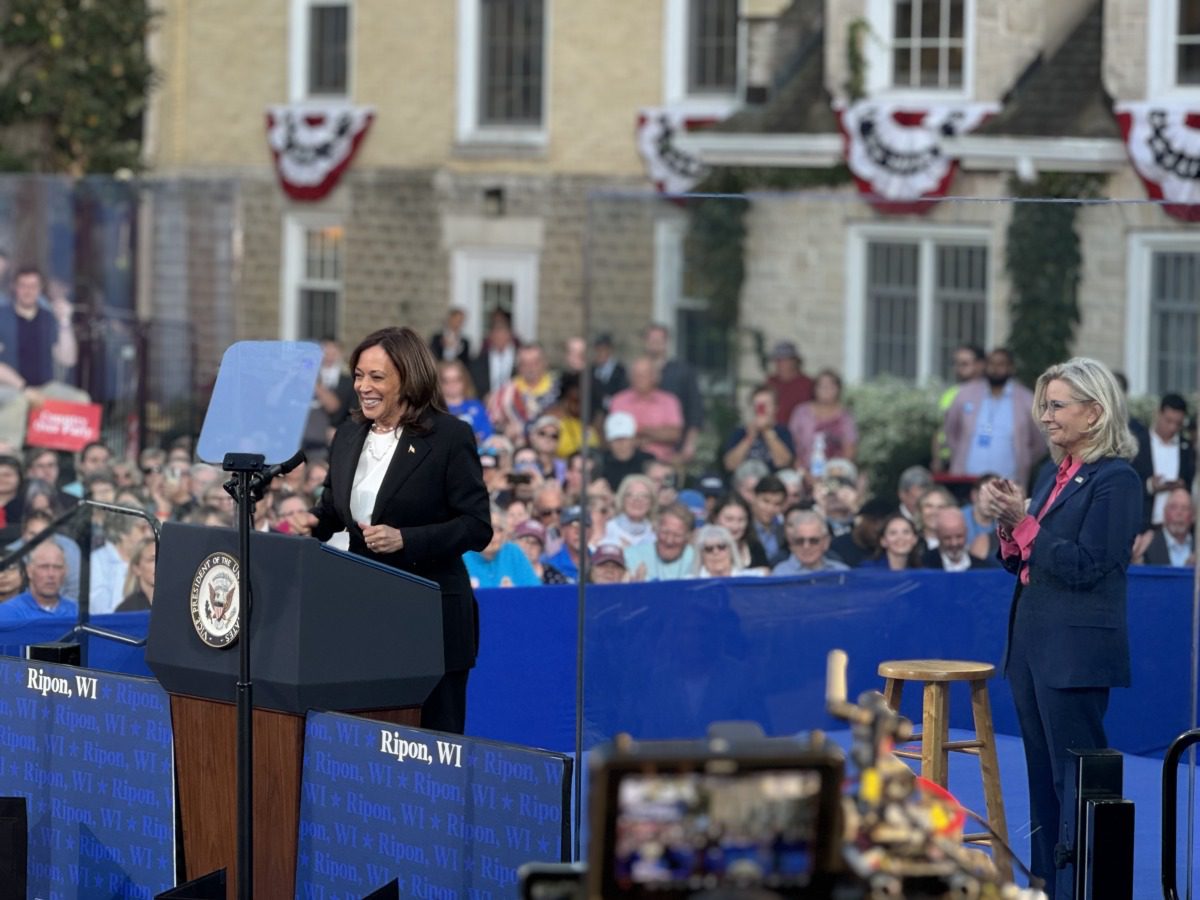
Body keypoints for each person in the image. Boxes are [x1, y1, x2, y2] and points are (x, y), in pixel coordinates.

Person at [976, 356, 1141, 896]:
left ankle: (1083, 888)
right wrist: (1008, 526)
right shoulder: (1053, 474)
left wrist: (1023, 523)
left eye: (1056, 405)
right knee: (1042, 778)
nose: (1045, 417)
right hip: (1031, 646)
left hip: (1075, 653)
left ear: (1094, 413)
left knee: (1076, 783)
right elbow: (1025, 560)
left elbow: (1090, 563)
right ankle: (1047, 884)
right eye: (1043, 406)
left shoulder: (1117, 479)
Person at [296, 326, 492, 735]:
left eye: (377, 377)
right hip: (366, 615)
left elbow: (476, 526)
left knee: (434, 746)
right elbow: (335, 507)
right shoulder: (350, 434)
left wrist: (407, 539)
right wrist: (314, 521)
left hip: (432, 617)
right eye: (358, 376)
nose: (363, 387)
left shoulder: (449, 437)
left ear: (408, 377)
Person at [944, 347, 1046, 488]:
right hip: (966, 480)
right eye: (991, 363)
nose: (995, 369)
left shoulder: (1026, 399)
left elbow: (1040, 443)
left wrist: (1025, 460)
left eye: (1001, 364)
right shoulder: (965, 394)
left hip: (1008, 483)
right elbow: (951, 431)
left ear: (1011, 368)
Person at [1131, 392, 1194, 528]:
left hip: (1175, 528)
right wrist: (1150, 485)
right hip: (1143, 524)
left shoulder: (1186, 447)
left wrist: (1181, 486)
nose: (1172, 428)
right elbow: (1128, 483)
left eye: (1178, 424)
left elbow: (1191, 483)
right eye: (1168, 421)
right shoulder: (1138, 444)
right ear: (1158, 414)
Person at [609, 356, 684, 464]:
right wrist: (656, 434)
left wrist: (642, 430)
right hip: (626, 462)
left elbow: (674, 434)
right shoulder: (618, 401)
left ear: (654, 377)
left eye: (644, 375)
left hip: (660, 462)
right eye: (636, 374)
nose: (639, 379)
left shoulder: (669, 401)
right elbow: (615, 435)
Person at [787, 369, 857, 474]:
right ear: (814, 389)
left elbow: (850, 449)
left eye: (831, 386)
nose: (826, 390)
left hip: (836, 472)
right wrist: (803, 473)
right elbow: (791, 444)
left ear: (838, 389)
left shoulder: (845, 416)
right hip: (803, 471)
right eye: (822, 386)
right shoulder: (801, 412)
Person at [721, 385, 795, 475]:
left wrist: (767, 432)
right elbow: (730, 465)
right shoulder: (740, 432)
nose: (761, 409)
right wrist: (749, 437)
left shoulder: (783, 431)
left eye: (766, 404)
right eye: (757, 404)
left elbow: (783, 462)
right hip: (747, 481)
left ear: (775, 407)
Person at [0, 540, 77, 623]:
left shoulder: (78, 613)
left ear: (66, 571)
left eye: (57, 567)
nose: (51, 574)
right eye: (43, 567)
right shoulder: (7, 612)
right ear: (29, 571)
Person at [464, 507, 540, 588]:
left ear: (504, 534)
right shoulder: (462, 555)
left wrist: (514, 592)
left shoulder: (513, 553)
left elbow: (535, 592)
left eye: (497, 529)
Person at [624, 502, 696, 581]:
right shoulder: (632, 555)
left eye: (677, 535)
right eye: (665, 533)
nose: (669, 541)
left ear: (688, 537)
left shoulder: (697, 559)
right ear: (656, 529)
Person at [772, 509, 849, 575]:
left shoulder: (842, 573)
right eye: (800, 541)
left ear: (826, 542)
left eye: (813, 541)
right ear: (791, 544)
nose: (806, 546)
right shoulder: (779, 574)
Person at [1133, 486, 1195, 567]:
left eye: (1185, 508)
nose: (1179, 513)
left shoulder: (1197, 545)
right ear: (1164, 512)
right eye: (1173, 507)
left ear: (1193, 515)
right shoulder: (1147, 545)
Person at [709, 493, 769, 571]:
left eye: (741, 520)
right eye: (729, 519)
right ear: (715, 519)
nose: (735, 526)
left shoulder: (755, 548)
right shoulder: (705, 548)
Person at [921, 507, 992, 571]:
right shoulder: (922, 565)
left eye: (959, 536)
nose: (954, 543)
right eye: (947, 538)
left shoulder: (982, 568)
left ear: (966, 532)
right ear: (937, 535)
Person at [439, 359, 492, 444]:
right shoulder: (436, 409)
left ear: (464, 380)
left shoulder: (476, 405)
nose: (452, 384)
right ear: (439, 383)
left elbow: (487, 430)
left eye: (457, 379)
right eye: (446, 381)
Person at [765, 340, 813, 427]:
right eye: (777, 360)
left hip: (799, 431)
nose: (780, 364)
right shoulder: (771, 381)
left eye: (784, 360)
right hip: (775, 430)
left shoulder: (807, 383)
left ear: (794, 361)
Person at [603, 474, 658, 549]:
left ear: (652, 502)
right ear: (622, 499)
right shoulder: (607, 528)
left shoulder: (656, 534)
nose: (637, 500)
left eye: (644, 496)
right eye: (630, 495)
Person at [692, 524, 757, 578]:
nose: (715, 552)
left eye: (721, 547)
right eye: (709, 549)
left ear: (731, 551)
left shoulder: (752, 578)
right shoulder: (688, 581)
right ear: (701, 555)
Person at [116, 536, 156, 611]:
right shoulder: (126, 610)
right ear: (137, 568)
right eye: (152, 560)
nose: (159, 563)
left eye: (162, 558)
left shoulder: (178, 604)